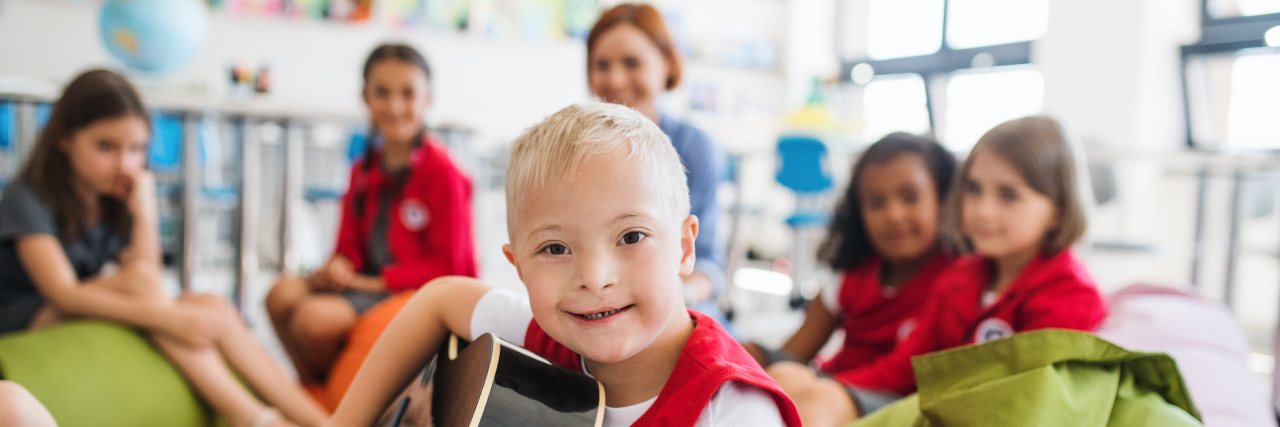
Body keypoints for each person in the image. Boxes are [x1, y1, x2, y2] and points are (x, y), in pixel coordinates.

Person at [326, 103, 801, 426]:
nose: (594, 278)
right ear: (517, 265)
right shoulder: (543, 337)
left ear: (683, 247)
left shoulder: (736, 410)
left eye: (631, 236)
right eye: (555, 249)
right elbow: (438, 298)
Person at [0, 69, 327, 427]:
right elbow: (64, 294)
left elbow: (147, 272)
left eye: (137, 149)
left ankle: (324, 421)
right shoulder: (27, 196)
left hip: (81, 302)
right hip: (25, 315)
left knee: (212, 305)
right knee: (151, 291)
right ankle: (248, 415)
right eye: (106, 147)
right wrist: (167, 319)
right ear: (63, 137)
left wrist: (145, 214)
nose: (126, 164)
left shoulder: (113, 195)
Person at [767, 117, 1109, 427]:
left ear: (1059, 211)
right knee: (786, 376)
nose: (982, 211)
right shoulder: (962, 277)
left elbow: (1027, 401)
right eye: (974, 189)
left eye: (1008, 195)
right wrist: (827, 384)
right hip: (921, 399)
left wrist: (829, 392)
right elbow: (906, 364)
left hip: (953, 413)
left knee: (819, 402)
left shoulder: (1069, 293)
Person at [265, 43, 477, 384]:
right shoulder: (362, 169)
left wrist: (371, 281)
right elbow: (348, 245)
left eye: (408, 93)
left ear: (427, 99)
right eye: (382, 92)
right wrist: (340, 264)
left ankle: (338, 399)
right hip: (366, 285)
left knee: (313, 320)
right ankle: (315, 395)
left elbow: (450, 268)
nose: (394, 106)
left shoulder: (444, 172)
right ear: (365, 97)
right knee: (279, 295)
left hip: (416, 294)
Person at [743, 132, 957, 386]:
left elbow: (907, 375)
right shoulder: (850, 275)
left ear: (943, 200)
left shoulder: (958, 279)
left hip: (878, 398)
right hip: (832, 390)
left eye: (910, 197)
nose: (893, 215)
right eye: (876, 203)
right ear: (859, 213)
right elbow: (794, 352)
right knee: (749, 355)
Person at [586, 4, 726, 318]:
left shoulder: (696, 149)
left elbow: (709, 265)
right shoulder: (574, 153)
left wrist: (677, 297)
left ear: (666, 65)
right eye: (602, 65)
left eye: (632, 62)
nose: (616, 79)